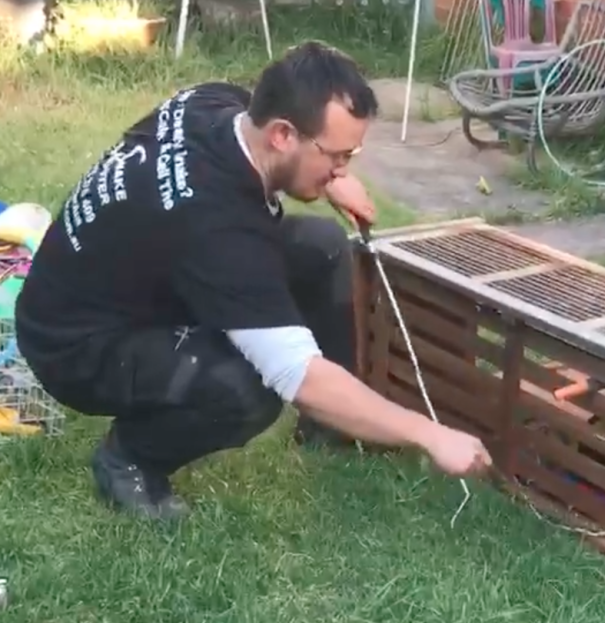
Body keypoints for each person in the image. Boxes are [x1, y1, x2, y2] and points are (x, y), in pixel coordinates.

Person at [14, 40, 492, 521]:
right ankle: (129, 460)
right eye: (337, 156)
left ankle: (337, 429)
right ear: (283, 135)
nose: (343, 167)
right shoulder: (217, 229)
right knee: (247, 387)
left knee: (321, 246)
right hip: (76, 344)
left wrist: (329, 177)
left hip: (124, 278)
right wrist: (429, 433)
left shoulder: (213, 103)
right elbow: (297, 377)